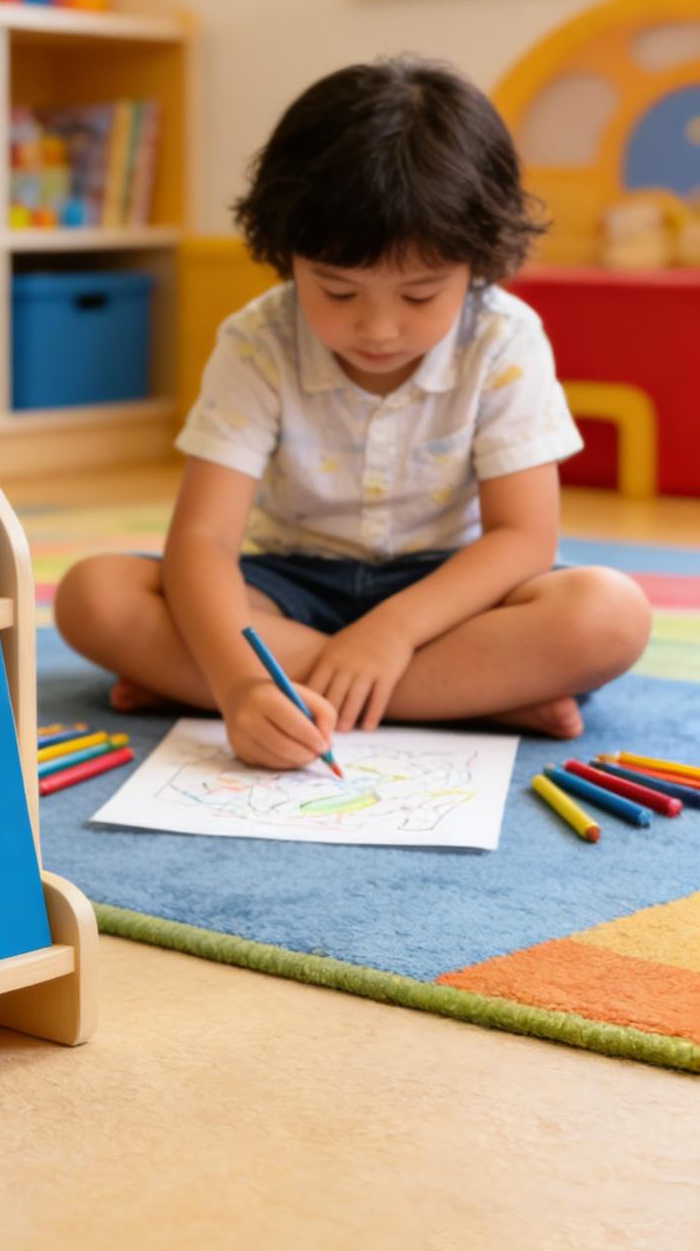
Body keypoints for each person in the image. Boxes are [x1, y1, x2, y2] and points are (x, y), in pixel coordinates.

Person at [55, 57, 652, 770]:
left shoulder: (503, 338)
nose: (377, 328)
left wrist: (392, 632)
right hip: (287, 586)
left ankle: (268, 691)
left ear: (480, 260)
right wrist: (240, 683)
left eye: (420, 295)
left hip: (452, 596)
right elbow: (204, 541)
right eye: (337, 292)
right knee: (94, 596)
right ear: (287, 254)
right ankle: (468, 698)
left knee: (609, 614)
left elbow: (523, 537)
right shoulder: (259, 340)